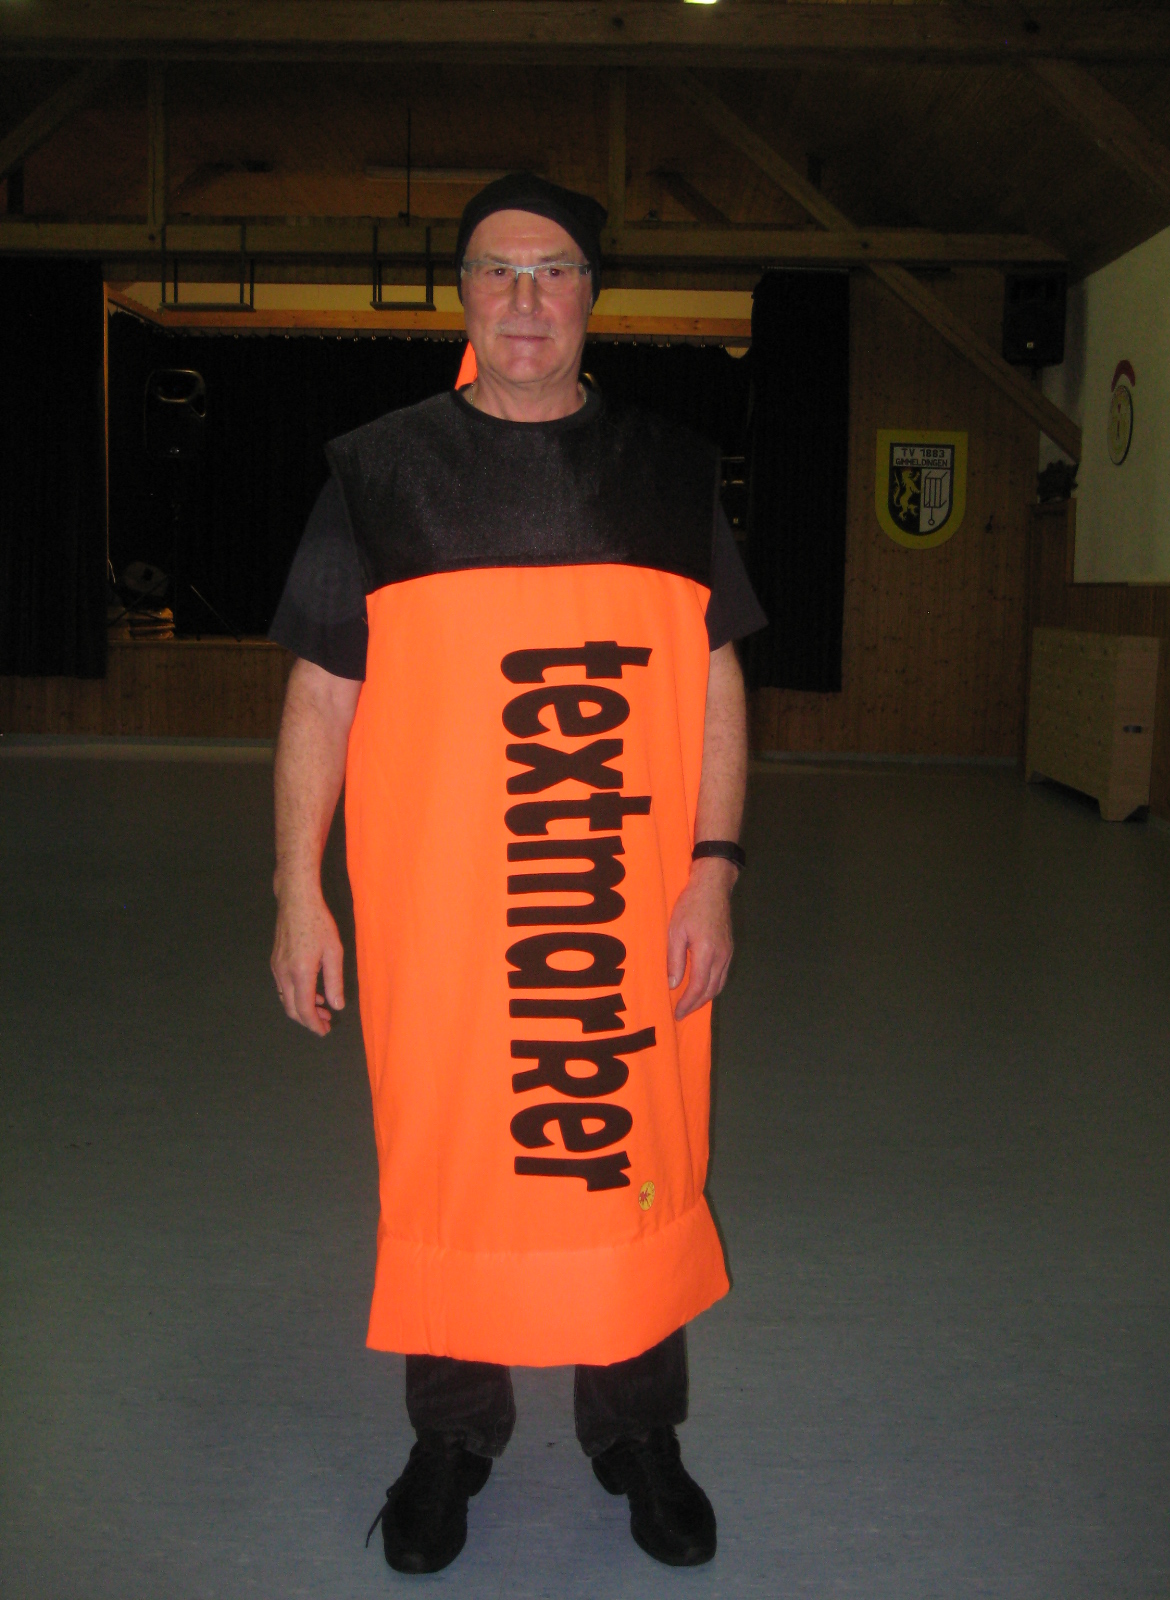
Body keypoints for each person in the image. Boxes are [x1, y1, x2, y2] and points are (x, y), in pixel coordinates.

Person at [268, 173, 765, 1574]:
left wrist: (714, 869)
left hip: (615, 902)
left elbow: (718, 684)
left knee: (628, 1151)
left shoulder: (670, 472)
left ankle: (637, 1432)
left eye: (554, 270)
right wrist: (299, 890)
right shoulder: (379, 472)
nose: (527, 297)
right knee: (452, 1163)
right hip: (440, 916)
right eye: (499, 270)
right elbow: (320, 694)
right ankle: (452, 1436)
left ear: (594, 295)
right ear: (463, 295)